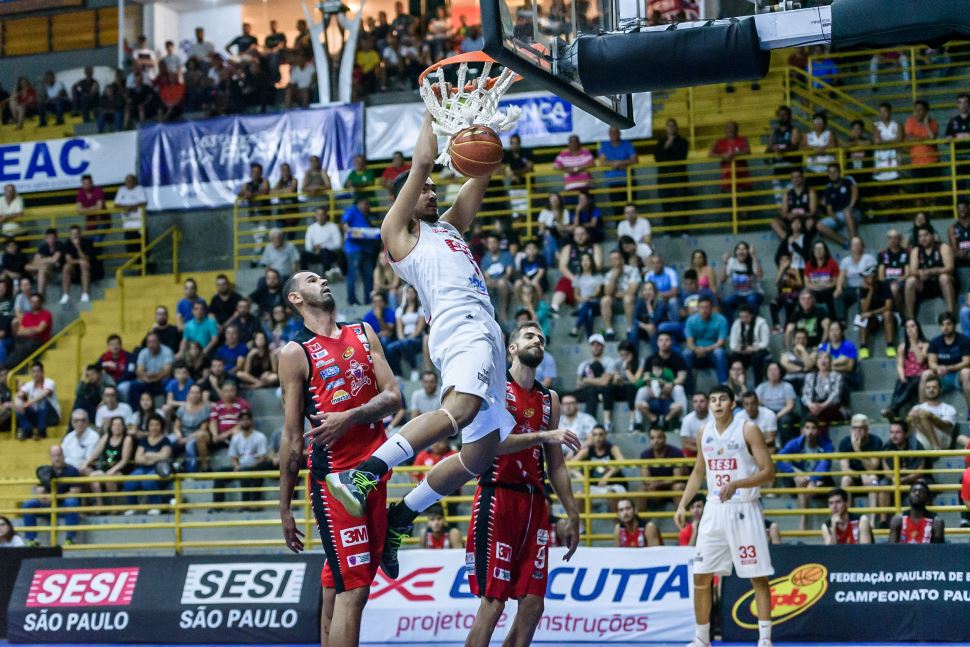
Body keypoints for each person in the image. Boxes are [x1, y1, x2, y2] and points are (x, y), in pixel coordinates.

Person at [276, 271, 401, 647]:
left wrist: (350, 416)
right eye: (312, 280)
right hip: (335, 479)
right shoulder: (294, 353)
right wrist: (285, 507)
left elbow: (393, 397)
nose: (324, 281)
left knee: (340, 583)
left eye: (323, 278)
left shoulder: (363, 332)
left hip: (374, 471)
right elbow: (292, 436)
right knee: (356, 589)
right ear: (296, 299)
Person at [464, 322, 580, 647]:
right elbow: (490, 445)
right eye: (530, 336)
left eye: (541, 338)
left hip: (535, 504)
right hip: (497, 498)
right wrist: (545, 435)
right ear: (512, 348)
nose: (538, 340)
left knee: (532, 605)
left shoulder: (549, 399)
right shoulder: (494, 388)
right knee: (493, 603)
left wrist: (573, 514)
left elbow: (556, 463)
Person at [676, 386, 775, 647]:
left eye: (722, 399)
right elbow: (699, 471)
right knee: (701, 575)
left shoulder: (748, 429)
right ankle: (701, 638)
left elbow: (768, 471)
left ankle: (765, 639)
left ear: (732, 403)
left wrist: (738, 483)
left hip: (744, 507)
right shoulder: (703, 432)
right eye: (713, 400)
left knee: (757, 576)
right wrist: (683, 504)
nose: (717, 404)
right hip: (714, 509)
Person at [778, 417, 834, 530]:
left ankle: (804, 521)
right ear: (802, 430)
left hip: (820, 480)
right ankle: (804, 518)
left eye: (813, 428)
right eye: (807, 428)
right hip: (801, 479)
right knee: (800, 481)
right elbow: (779, 459)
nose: (810, 432)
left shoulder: (826, 444)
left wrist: (812, 478)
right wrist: (794, 473)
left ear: (818, 431)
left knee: (809, 482)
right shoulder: (795, 443)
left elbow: (825, 465)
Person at [21, 446, 81, 545]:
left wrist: (53, 497)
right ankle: (32, 539)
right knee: (28, 505)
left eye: (59, 455)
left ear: (63, 455)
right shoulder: (45, 471)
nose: (57, 458)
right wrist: (43, 497)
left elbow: (75, 491)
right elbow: (39, 491)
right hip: (49, 505)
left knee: (72, 502)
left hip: (63, 506)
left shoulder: (72, 470)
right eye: (54, 456)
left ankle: (70, 538)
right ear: (50, 457)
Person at [906, 225, 956, 317]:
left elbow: (950, 268)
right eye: (920, 236)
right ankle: (911, 318)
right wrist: (920, 273)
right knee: (910, 281)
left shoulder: (943, 247)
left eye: (926, 235)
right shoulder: (916, 250)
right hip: (925, 283)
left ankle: (950, 315)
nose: (923, 238)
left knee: (944, 278)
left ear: (933, 235)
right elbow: (912, 271)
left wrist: (932, 271)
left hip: (943, 282)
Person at [925, 311, 970, 409]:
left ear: (954, 325)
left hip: (958, 376)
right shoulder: (935, 342)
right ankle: (923, 409)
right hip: (942, 376)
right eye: (942, 325)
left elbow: (967, 362)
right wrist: (938, 368)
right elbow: (931, 363)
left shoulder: (964, 340)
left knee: (966, 372)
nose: (945, 327)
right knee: (926, 374)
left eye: (948, 324)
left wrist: (949, 368)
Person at [837, 414, 883, 510]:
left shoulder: (876, 441)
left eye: (861, 428)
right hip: (855, 479)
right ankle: (847, 515)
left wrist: (858, 451)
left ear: (867, 429)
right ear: (850, 429)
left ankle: (873, 517)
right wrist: (861, 475)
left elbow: (874, 467)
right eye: (854, 428)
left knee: (873, 479)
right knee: (845, 479)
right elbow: (845, 469)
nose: (857, 431)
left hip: (875, 480)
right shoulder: (845, 442)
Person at [683, 296, 729, 384]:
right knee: (686, 353)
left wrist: (706, 349)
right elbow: (689, 342)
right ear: (697, 308)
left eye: (707, 307)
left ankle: (723, 384)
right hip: (696, 352)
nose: (704, 310)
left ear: (712, 309)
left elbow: (721, 342)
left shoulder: (721, 320)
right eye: (701, 307)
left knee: (719, 353)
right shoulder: (691, 320)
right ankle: (687, 387)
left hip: (713, 352)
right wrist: (696, 349)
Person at [639, 427, 686, 510]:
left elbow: (677, 477)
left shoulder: (676, 452)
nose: (656, 441)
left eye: (659, 437)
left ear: (664, 438)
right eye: (652, 438)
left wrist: (658, 484)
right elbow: (645, 478)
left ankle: (682, 517)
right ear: (649, 440)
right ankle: (638, 518)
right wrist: (655, 485)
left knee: (678, 487)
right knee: (642, 489)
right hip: (656, 489)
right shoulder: (645, 454)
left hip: (672, 486)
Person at [908, 374, 957, 451]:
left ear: (940, 390)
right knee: (912, 417)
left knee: (922, 415)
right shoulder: (916, 408)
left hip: (942, 440)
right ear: (925, 390)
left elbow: (946, 426)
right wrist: (911, 418)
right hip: (922, 439)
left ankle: (936, 447)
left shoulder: (948, 408)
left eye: (934, 387)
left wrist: (931, 416)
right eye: (928, 387)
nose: (931, 390)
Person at [14, 361, 60, 440]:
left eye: (38, 371)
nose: (36, 374)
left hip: (51, 417)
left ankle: (41, 432)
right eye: (33, 372)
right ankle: (28, 430)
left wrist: (27, 404)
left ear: (42, 372)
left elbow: (43, 395)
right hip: (36, 416)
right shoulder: (29, 384)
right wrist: (18, 402)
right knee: (17, 406)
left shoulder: (49, 382)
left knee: (42, 402)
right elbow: (18, 395)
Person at [756, 362, 799, 446]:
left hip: (783, 412)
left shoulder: (787, 386)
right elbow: (758, 404)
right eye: (770, 370)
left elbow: (790, 406)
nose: (772, 372)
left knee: (785, 421)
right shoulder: (761, 387)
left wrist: (776, 416)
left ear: (780, 372)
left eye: (775, 370)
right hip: (767, 412)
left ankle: (784, 447)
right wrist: (769, 416)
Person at [720, 242, 764, 320]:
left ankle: (753, 324)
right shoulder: (732, 261)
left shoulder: (752, 260)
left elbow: (760, 275)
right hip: (738, 295)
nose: (741, 251)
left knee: (751, 300)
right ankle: (731, 325)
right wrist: (725, 263)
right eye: (739, 249)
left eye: (744, 249)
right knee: (726, 302)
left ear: (748, 251)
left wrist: (754, 256)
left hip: (754, 293)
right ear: (736, 252)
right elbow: (722, 280)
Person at [728, 305, 770, 385]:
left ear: (752, 315)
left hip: (758, 350)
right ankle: (737, 383)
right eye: (741, 317)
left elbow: (765, 343)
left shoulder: (761, 323)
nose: (744, 319)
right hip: (743, 351)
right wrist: (740, 349)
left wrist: (753, 348)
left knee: (757, 357)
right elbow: (732, 344)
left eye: (746, 317)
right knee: (732, 356)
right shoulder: (737, 323)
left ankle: (758, 383)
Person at [653, 118, 690, 209]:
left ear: (676, 127)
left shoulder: (683, 141)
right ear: (666, 128)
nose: (671, 128)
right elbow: (657, 158)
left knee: (681, 205)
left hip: (679, 178)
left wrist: (671, 147)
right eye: (669, 126)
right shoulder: (661, 142)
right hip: (664, 178)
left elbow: (681, 157)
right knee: (666, 206)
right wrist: (665, 147)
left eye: (673, 125)